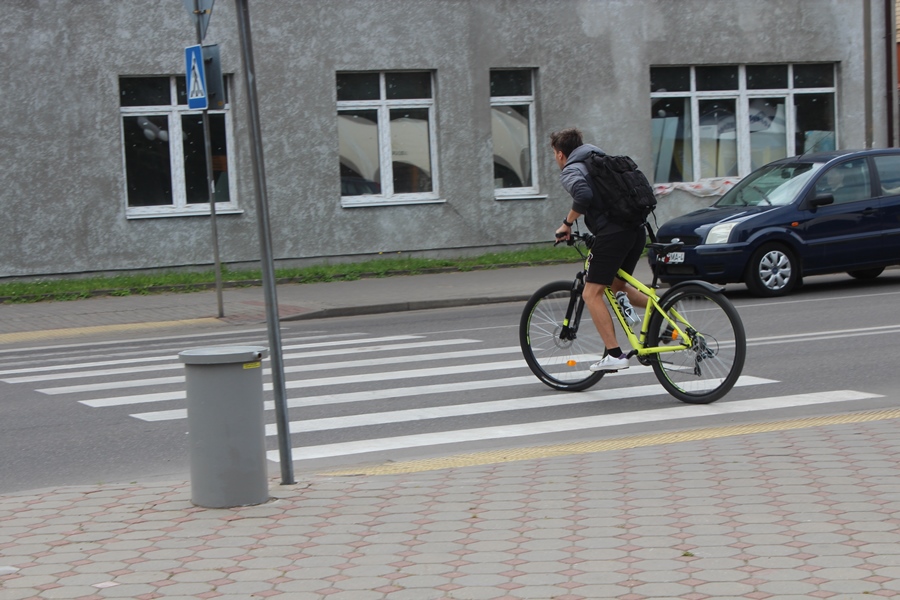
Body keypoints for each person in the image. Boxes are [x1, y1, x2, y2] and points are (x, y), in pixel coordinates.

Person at [550, 127, 647, 372]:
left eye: (554, 154)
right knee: (615, 284)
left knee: (591, 293)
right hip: (636, 230)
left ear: (560, 154)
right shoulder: (600, 159)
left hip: (614, 234)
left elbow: (583, 195)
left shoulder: (572, 170)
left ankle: (614, 354)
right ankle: (665, 308)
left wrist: (567, 223)